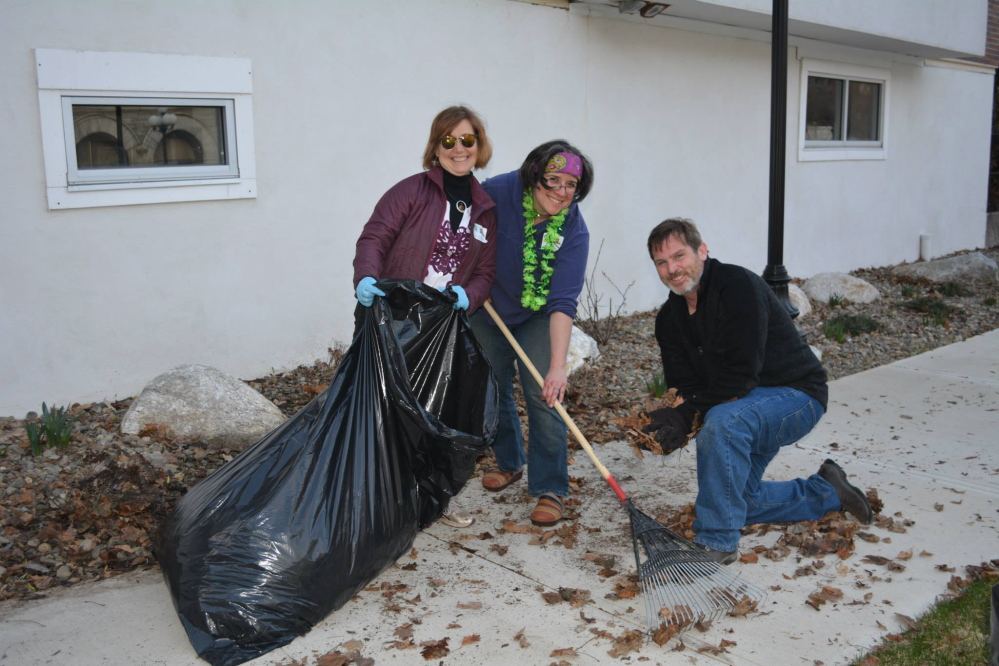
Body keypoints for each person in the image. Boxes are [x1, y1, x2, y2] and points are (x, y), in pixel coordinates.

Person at [643, 217, 874, 564]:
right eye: (662, 262)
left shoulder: (737, 286)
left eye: (679, 256)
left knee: (722, 421)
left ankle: (717, 543)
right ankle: (827, 491)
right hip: (745, 405)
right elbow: (685, 386)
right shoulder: (669, 320)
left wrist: (689, 412)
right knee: (737, 501)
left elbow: (740, 376)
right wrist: (674, 419)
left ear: (702, 251)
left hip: (796, 396)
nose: (672, 269)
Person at [352, 105, 498, 528]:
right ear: (436, 147)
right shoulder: (411, 191)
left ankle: (431, 499)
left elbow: (487, 272)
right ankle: (377, 503)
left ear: (479, 146)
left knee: (433, 415)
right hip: (392, 320)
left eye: (467, 140)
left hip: (441, 328)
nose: (458, 148)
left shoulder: (485, 209)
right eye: (448, 140)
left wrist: (466, 296)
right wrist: (366, 277)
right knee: (384, 412)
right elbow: (375, 236)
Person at [469, 140, 594, 527]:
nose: (560, 191)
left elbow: (562, 302)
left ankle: (550, 487)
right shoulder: (496, 193)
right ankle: (509, 461)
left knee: (545, 393)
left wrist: (558, 367)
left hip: (539, 314)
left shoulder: (573, 229)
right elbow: (466, 240)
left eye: (570, 184)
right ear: (533, 176)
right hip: (487, 305)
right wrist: (474, 279)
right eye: (552, 180)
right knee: (492, 385)